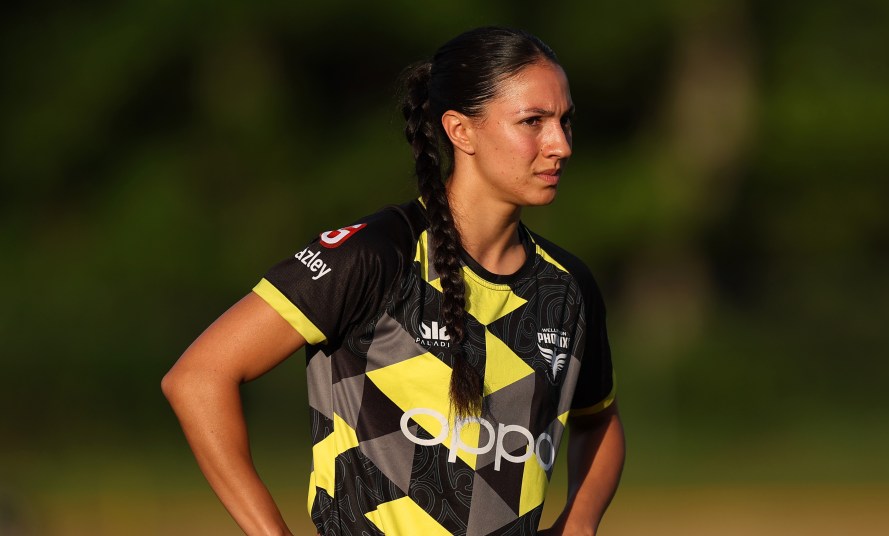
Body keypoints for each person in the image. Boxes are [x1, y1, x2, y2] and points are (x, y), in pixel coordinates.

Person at [162, 26, 625, 536]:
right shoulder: (377, 255)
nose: (560, 144)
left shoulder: (569, 288)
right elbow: (198, 377)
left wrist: (579, 523)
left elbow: (598, 419)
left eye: (565, 120)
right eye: (533, 121)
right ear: (460, 131)